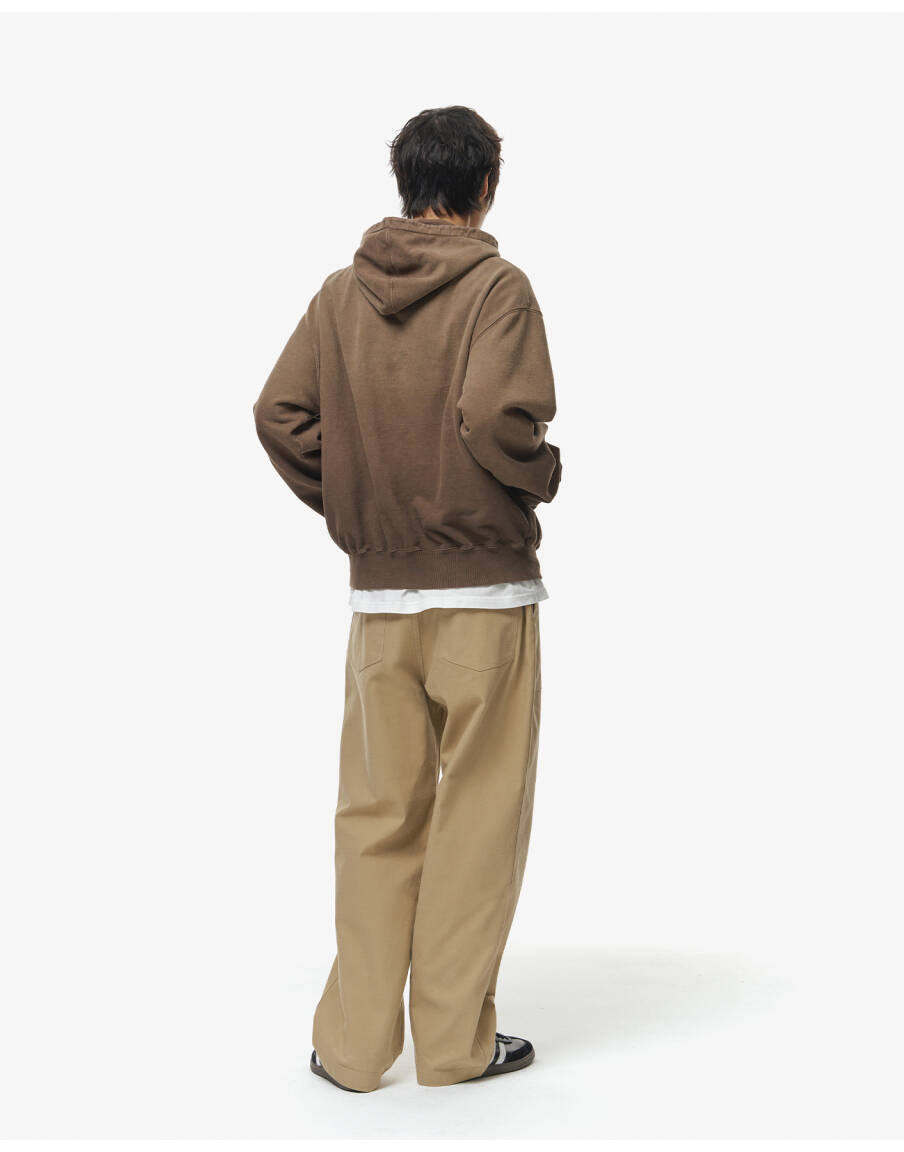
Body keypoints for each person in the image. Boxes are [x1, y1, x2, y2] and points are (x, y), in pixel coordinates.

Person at [252, 105, 562, 1092]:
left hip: (381, 605)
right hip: (484, 593)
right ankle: (455, 1046)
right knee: (478, 818)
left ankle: (352, 1050)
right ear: (485, 186)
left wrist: (356, 500)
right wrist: (541, 472)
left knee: (376, 817)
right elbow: (495, 416)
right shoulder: (498, 288)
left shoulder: (340, 295)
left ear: (405, 181)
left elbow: (279, 413)